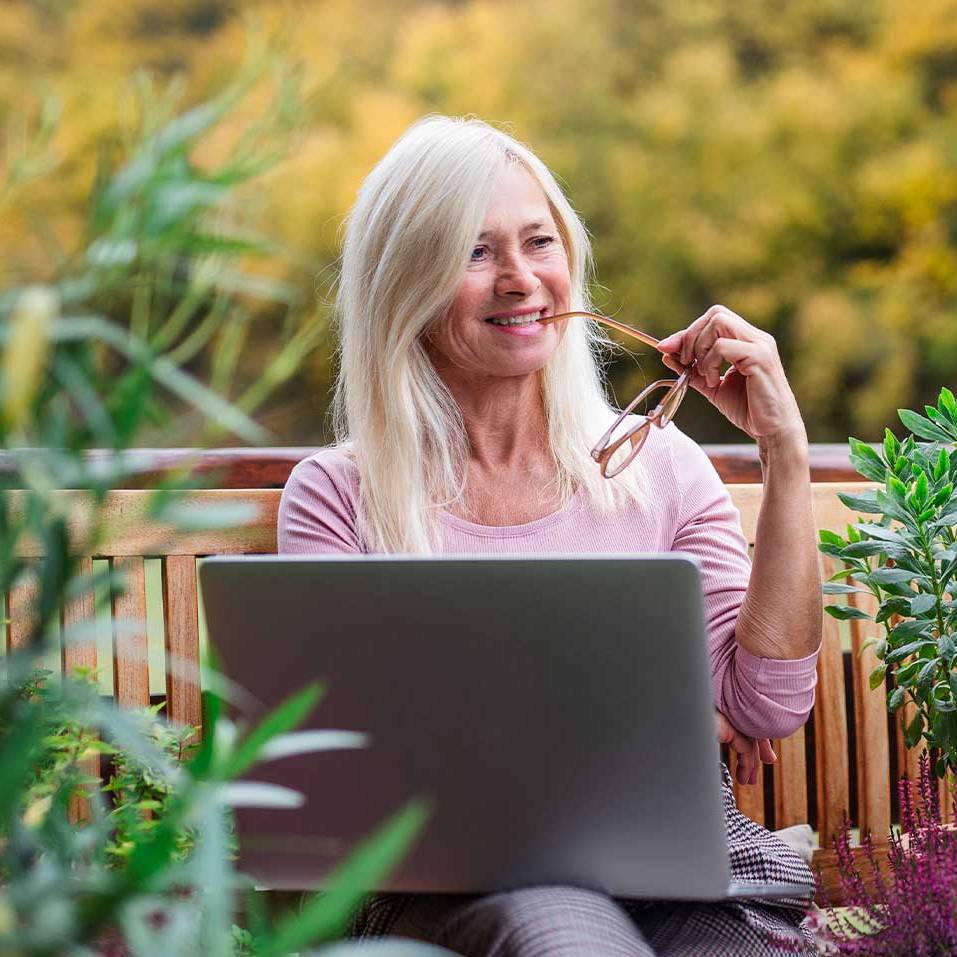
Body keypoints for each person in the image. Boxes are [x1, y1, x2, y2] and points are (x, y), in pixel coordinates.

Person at [278, 115, 823, 956]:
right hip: (455, 880)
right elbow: (345, 758)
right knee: (572, 940)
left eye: (538, 241)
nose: (520, 279)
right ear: (405, 282)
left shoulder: (662, 468)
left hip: (674, 864)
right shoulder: (338, 497)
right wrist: (656, 718)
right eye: (474, 251)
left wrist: (783, 455)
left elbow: (765, 706)